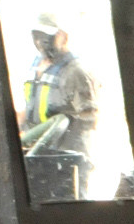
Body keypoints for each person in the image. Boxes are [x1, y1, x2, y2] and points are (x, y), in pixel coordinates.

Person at [18, 11, 98, 201]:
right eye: (36, 35)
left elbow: (89, 118)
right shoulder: (35, 65)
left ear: (63, 36)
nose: (40, 41)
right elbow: (30, 106)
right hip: (37, 158)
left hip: (66, 163)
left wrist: (60, 127)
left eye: (46, 36)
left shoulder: (76, 72)